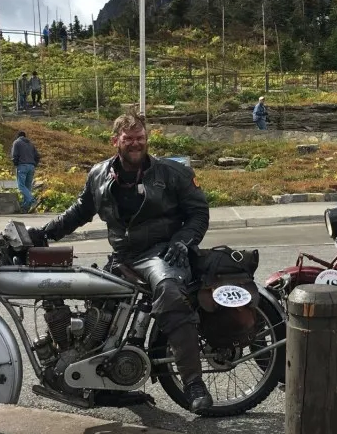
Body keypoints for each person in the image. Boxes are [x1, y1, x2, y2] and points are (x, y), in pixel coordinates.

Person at [27, 111, 214, 412]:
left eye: (140, 138)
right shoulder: (99, 174)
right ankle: (105, 379)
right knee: (96, 305)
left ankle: (193, 384)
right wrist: (42, 233)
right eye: (129, 139)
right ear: (115, 141)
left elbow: (198, 213)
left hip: (159, 253)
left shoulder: (171, 173)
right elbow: (78, 212)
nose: (136, 143)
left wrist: (183, 241)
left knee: (168, 291)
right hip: (123, 257)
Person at [10, 130, 40, 212]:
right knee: (28, 187)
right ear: (25, 136)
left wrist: (16, 164)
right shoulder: (31, 144)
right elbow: (37, 156)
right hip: (31, 166)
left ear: (18, 136)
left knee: (21, 186)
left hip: (22, 166)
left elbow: (14, 155)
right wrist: (34, 164)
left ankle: (33, 200)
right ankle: (25, 208)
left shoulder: (16, 142)